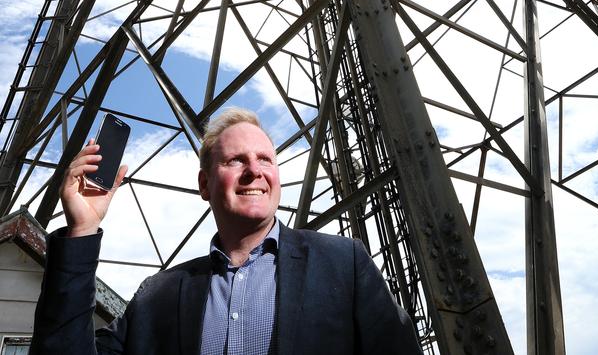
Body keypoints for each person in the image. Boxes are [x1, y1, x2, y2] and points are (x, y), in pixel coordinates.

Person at [30, 107, 422, 354]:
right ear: (204, 185)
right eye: (236, 160)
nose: (255, 170)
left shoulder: (343, 264)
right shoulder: (158, 296)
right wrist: (83, 229)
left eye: (265, 159)